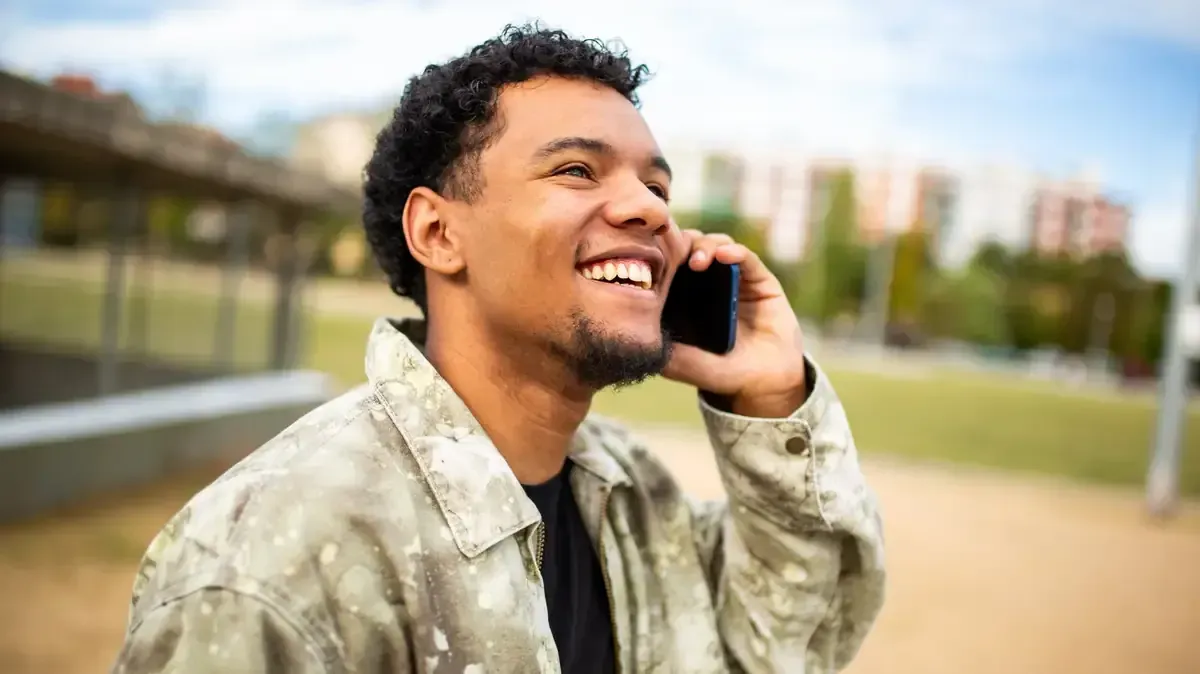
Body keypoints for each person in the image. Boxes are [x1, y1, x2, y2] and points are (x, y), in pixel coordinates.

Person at [112, 24, 885, 674]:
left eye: (658, 187)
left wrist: (771, 396)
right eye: (578, 169)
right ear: (438, 233)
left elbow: (792, 642)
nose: (648, 212)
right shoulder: (270, 563)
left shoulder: (634, 498)